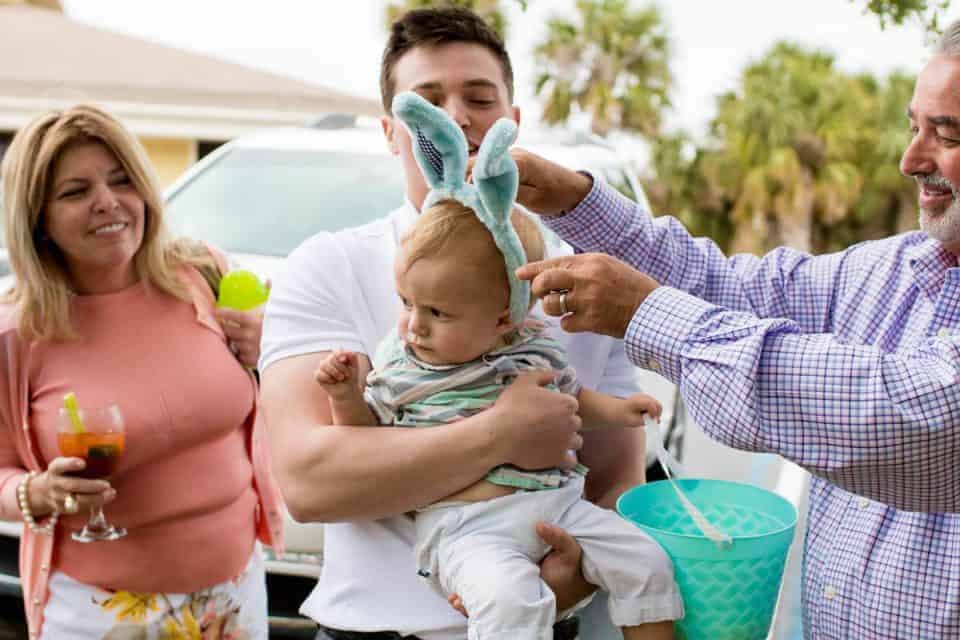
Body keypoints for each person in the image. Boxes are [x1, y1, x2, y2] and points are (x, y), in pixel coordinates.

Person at [504, 21, 960, 640]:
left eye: (947, 135)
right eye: (914, 128)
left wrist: (648, 313)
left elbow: (909, 412)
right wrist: (574, 200)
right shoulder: (889, 270)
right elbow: (726, 287)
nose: (912, 161)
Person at [259, 7, 654, 640]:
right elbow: (311, 483)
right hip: (373, 630)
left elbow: (616, 477)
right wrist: (504, 432)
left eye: (479, 98)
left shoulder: (582, 278)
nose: (458, 117)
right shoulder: (328, 265)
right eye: (429, 100)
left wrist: (574, 578)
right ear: (392, 133)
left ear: (512, 122)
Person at [0, 104, 283, 639]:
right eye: (75, 192)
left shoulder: (202, 275)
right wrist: (34, 493)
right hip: (101, 613)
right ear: (37, 218)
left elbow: (280, 394)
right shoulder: (17, 333)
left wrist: (268, 349)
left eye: (121, 179)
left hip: (234, 595)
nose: (107, 202)